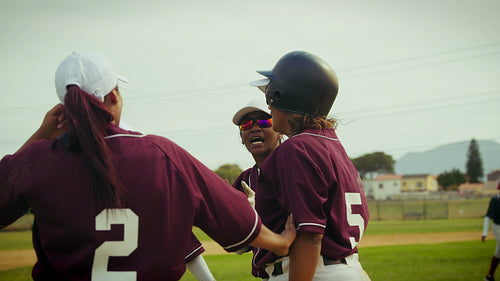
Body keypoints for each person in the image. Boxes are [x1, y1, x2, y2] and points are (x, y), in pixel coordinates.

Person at [0, 51, 296, 281]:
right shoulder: (161, 153)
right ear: (114, 96)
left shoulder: (37, 160)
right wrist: (282, 244)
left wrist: (41, 135)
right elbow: (241, 224)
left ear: (63, 105)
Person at [249, 50, 371, 281]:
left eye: (270, 96)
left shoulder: (297, 148)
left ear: (282, 96)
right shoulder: (332, 144)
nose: (269, 107)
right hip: (345, 268)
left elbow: (311, 235)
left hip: (313, 272)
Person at [231, 99, 282, 199]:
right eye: (246, 124)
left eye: (264, 122)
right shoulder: (243, 181)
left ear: (280, 131)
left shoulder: (294, 168)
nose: (255, 128)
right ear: (241, 137)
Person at [482, 181, 500, 281]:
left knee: (498, 252)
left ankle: (489, 277)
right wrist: (485, 232)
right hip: (498, 227)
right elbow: (488, 217)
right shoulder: (495, 200)